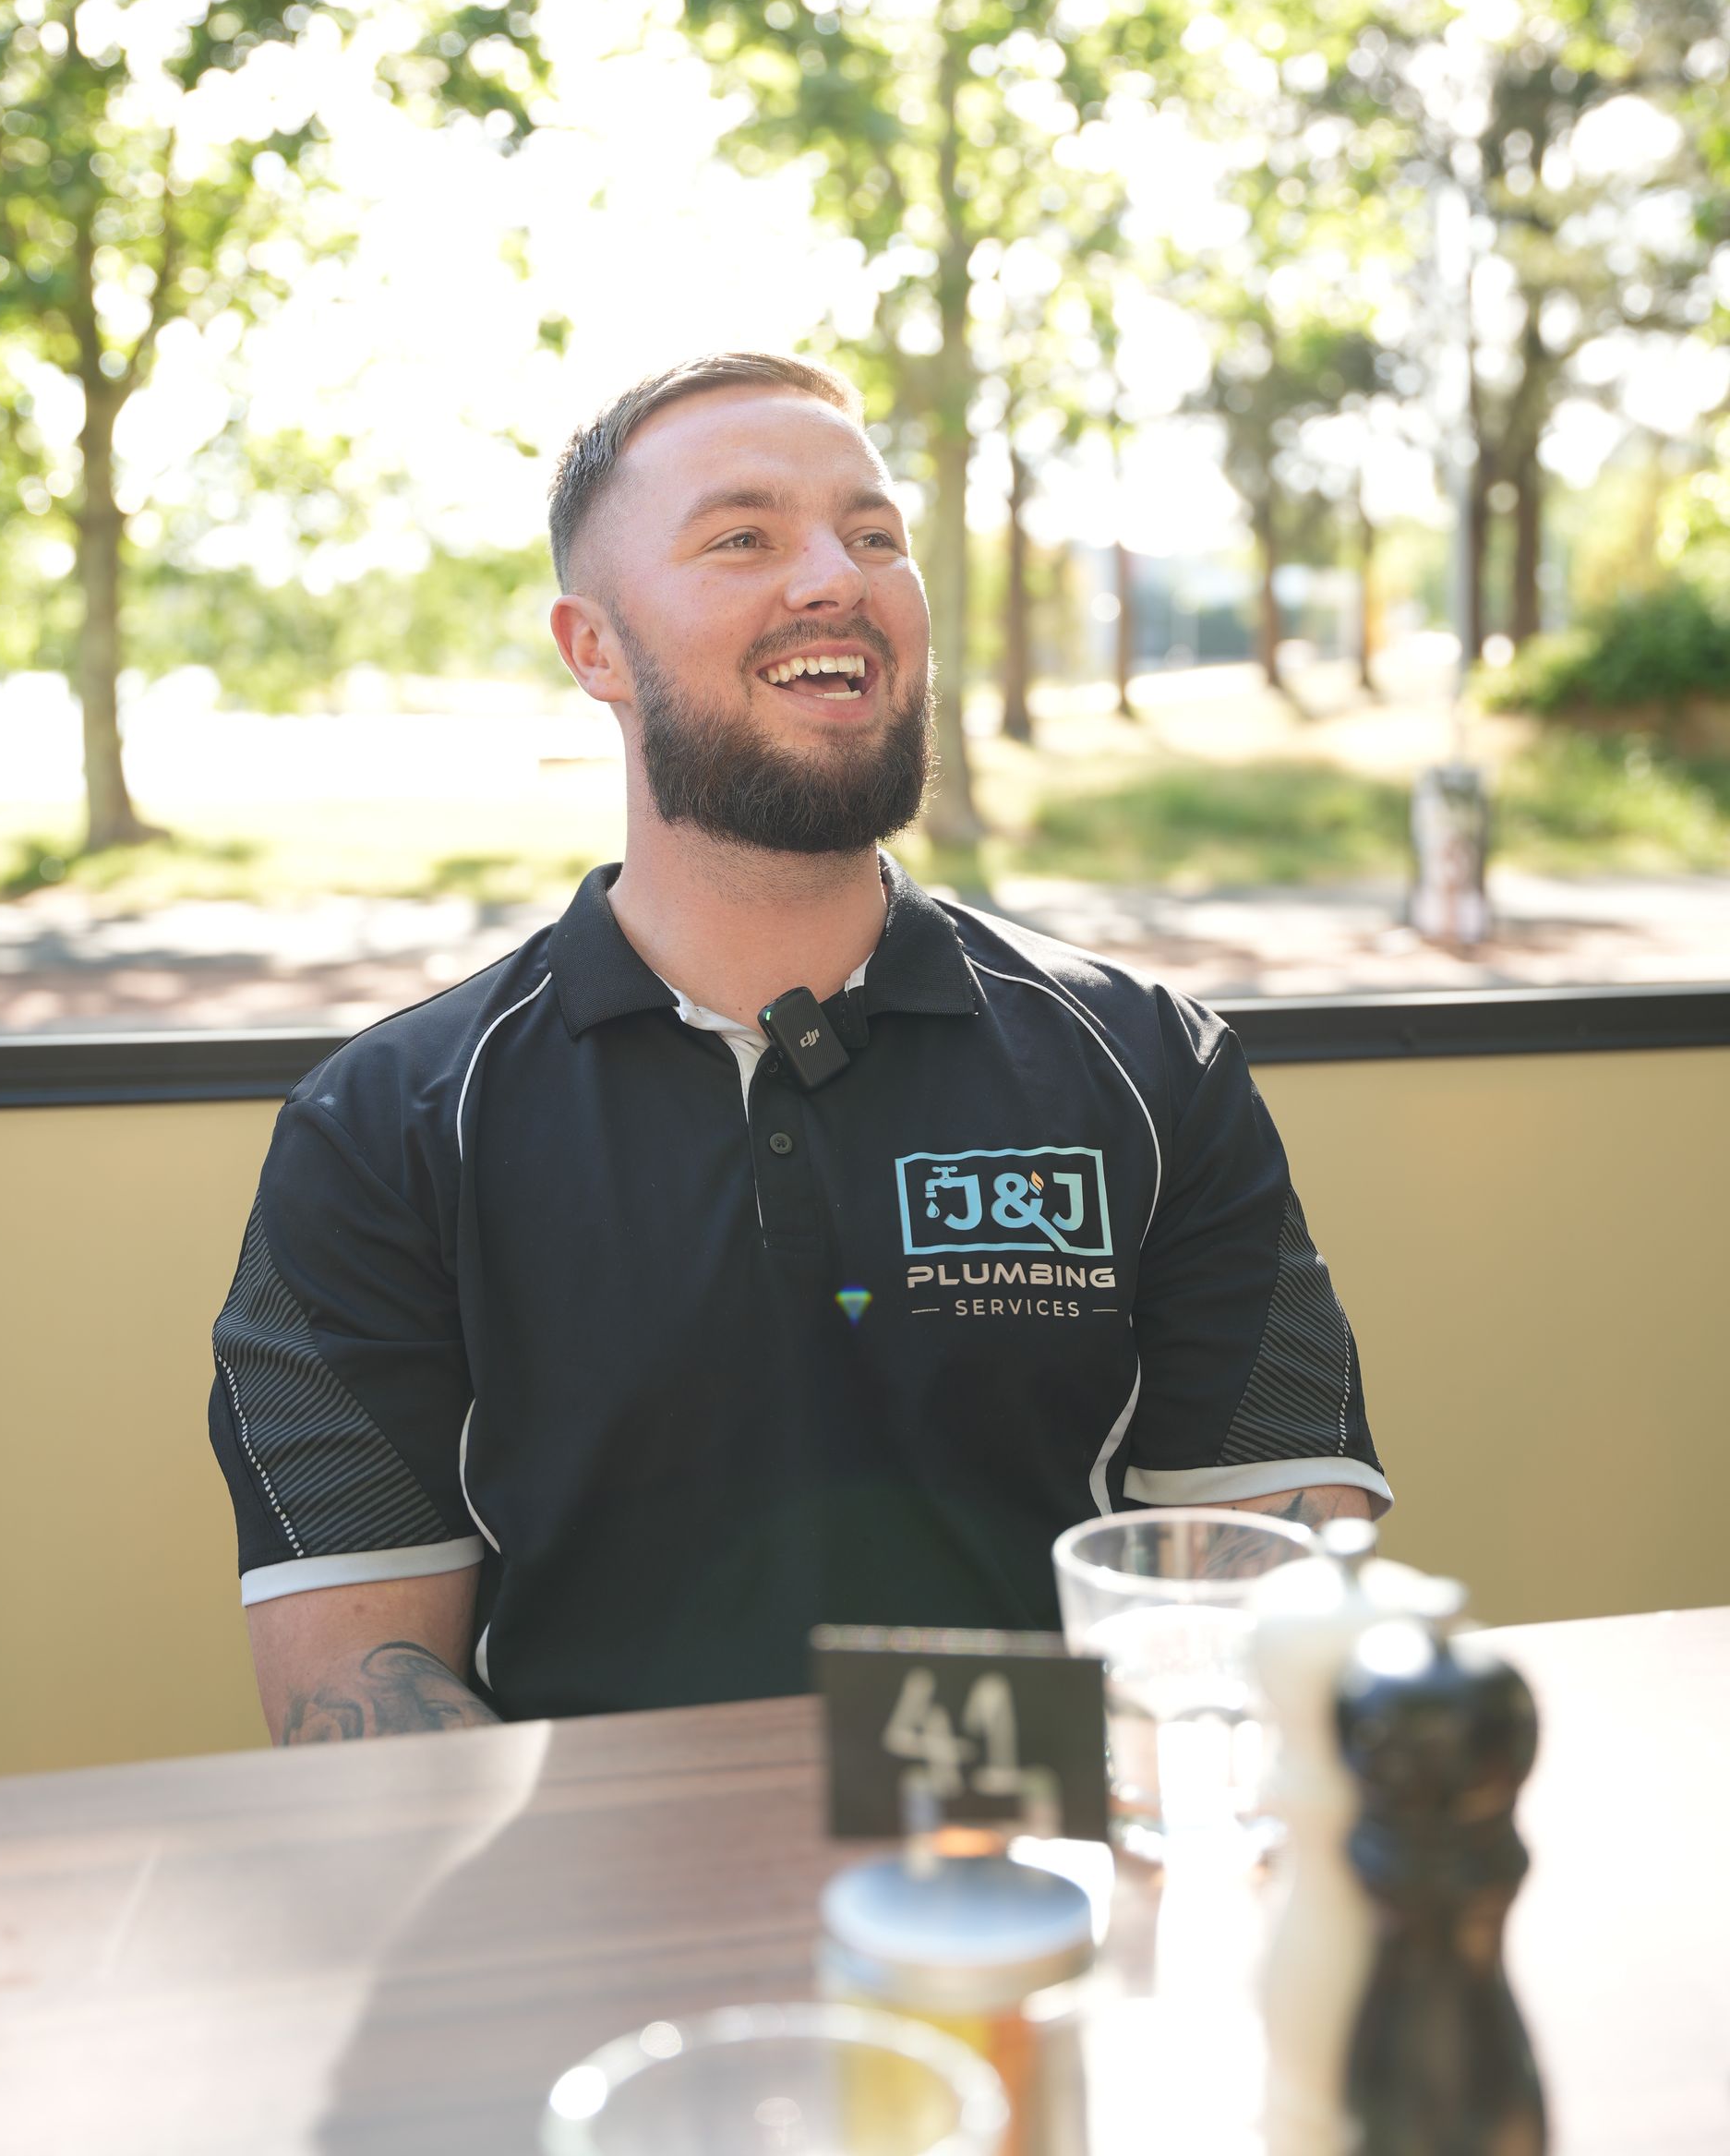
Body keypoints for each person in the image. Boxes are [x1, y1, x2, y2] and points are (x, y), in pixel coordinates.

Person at [210, 351, 1389, 1746]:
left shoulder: (1151, 1069)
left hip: (1044, 1853)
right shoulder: (383, 1127)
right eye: (744, 539)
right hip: (596, 1877)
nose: (837, 578)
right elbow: (354, 1686)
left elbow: (1275, 1601)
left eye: (875, 535)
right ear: (594, 649)